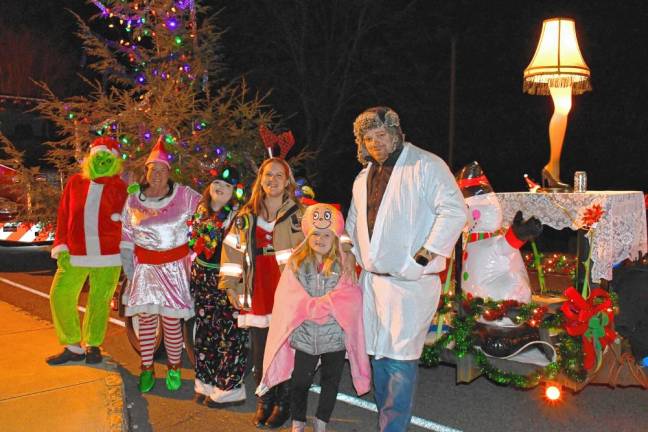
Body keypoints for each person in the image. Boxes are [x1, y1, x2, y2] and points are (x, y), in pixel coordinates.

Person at [345, 107, 467, 431]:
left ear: (397, 132)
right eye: (368, 138)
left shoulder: (426, 165)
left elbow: (454, 211)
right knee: (378, 357)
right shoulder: (362, 177)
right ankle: (386, 420)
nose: (375, 144)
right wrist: (354, 255)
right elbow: (353, 223)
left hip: (410, 285)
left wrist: (422, 258)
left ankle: (393, 427)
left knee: (399, 361)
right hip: (372, 283)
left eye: (381, 135)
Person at [258, 203, 370, 432]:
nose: (320, 239)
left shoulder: (343, 264)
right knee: (300, 381)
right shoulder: (297, 263)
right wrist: (314, 307)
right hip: (306, 336)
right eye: (315, 234)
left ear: (335, 237)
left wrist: (320, 305)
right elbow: (288, 296)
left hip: (334, 338)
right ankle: (298, 419)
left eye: (326, 234)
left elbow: (351, 296)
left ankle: (321, 420)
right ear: (308, 235)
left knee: (331, 382)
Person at [219, 157, 304, 429]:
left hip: (287, 288)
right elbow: (231, 249)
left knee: (285, 347)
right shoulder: (246, 215)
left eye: (279, 175)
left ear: (288, 181)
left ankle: (283, 402)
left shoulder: (299, 215)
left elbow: (318, 246)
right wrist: (230, 284)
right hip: (258, 287)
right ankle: (264, 399)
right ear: (261, 180)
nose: (273, 180)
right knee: (260, 349)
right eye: (268, 175)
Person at [120, 137, 201, 392]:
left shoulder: (184, 196)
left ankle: (174, 368)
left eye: (161, 170)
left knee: (171, 321)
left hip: (174, 268)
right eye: (152, 169)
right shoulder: (134, 200)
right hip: (145, 270)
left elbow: (209, 210)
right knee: (146, 320)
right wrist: (129, 271)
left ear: (169, 173)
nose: (156, 174)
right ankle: (146, 368)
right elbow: (126, 235)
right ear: (146, 172)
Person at [46, 137, 128, 365]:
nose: (102, 160)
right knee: (60, 294)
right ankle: (72, 345)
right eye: (98, 156)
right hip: (75, 252)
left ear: (114, 160)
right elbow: (63, 215)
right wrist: (60, 244)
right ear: (90, 158)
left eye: (107, 157)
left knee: (99, 300)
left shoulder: (120, 187)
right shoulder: (75, 183)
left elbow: (131, 220)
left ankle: (93, 344)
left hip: (109, 254)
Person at [189, 166, 249, 407]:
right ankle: (206, 381)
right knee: (204, 332)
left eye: (226, 186)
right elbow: (193, 242)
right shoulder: (201, 210)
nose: (220, 188)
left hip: (227, 280)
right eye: (216, 183)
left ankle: (230, 386)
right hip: (202, 277)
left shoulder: (239, 216)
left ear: (234, 191)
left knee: (230, 335)